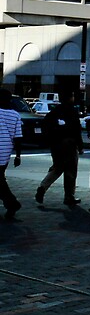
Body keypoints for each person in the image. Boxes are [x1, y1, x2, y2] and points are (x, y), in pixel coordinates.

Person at [35, 91, 84, 207]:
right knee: (70, 171)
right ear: (70, 98)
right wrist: (80, 146)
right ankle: (69, 196)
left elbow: (45, 125)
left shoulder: (54, 111)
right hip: (69, 144)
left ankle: (43, 186)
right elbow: (77, 130)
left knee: (57, 167)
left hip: (56, 145)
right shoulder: (72, 111)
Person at [0, 89, 23, 220]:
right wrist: (18, 155)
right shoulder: (15, 115)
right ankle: (11, 204)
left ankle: (12, 203)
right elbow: (18, 137)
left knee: (0, 181)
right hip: (5, 152)